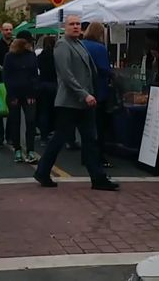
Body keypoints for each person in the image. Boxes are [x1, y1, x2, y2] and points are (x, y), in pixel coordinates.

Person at [34, 15, 119, 191]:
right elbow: (66, 75)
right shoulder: (62, 45)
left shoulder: (79, 44)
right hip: (69, 102)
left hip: (85, 103)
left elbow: (89, 71)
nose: (75, 27)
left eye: (78, 24)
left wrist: (91, 93)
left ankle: (97, 177)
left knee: (90, 140)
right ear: (65, 27)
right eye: (71, 24)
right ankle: (42, 171)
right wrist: (84, 94)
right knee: (59, 139)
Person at [3, 30, 39, 163]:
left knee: (30, 121)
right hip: (15, 94)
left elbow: (35, 75)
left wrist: (33, 93)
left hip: (29, 94)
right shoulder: (9, 56)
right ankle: (17, 149)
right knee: (15, 121)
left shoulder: (31, 55)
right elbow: (7, 77)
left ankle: (30, 150)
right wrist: (12, 95)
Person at [82, 22, 113, 168]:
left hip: (83, 90)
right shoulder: (100, 48)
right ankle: (98, 156)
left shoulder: (80, 45)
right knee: (99, 127)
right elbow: (104, 68)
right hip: (99, 90)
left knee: (85, 126)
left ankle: (85, 155)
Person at [36, 35, 57, 144]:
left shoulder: (40, 57)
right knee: (56, 110)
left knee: (43, 111)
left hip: (43, 84)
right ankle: (55, 132)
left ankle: (44, 135)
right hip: (55, 84)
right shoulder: (56, 56)